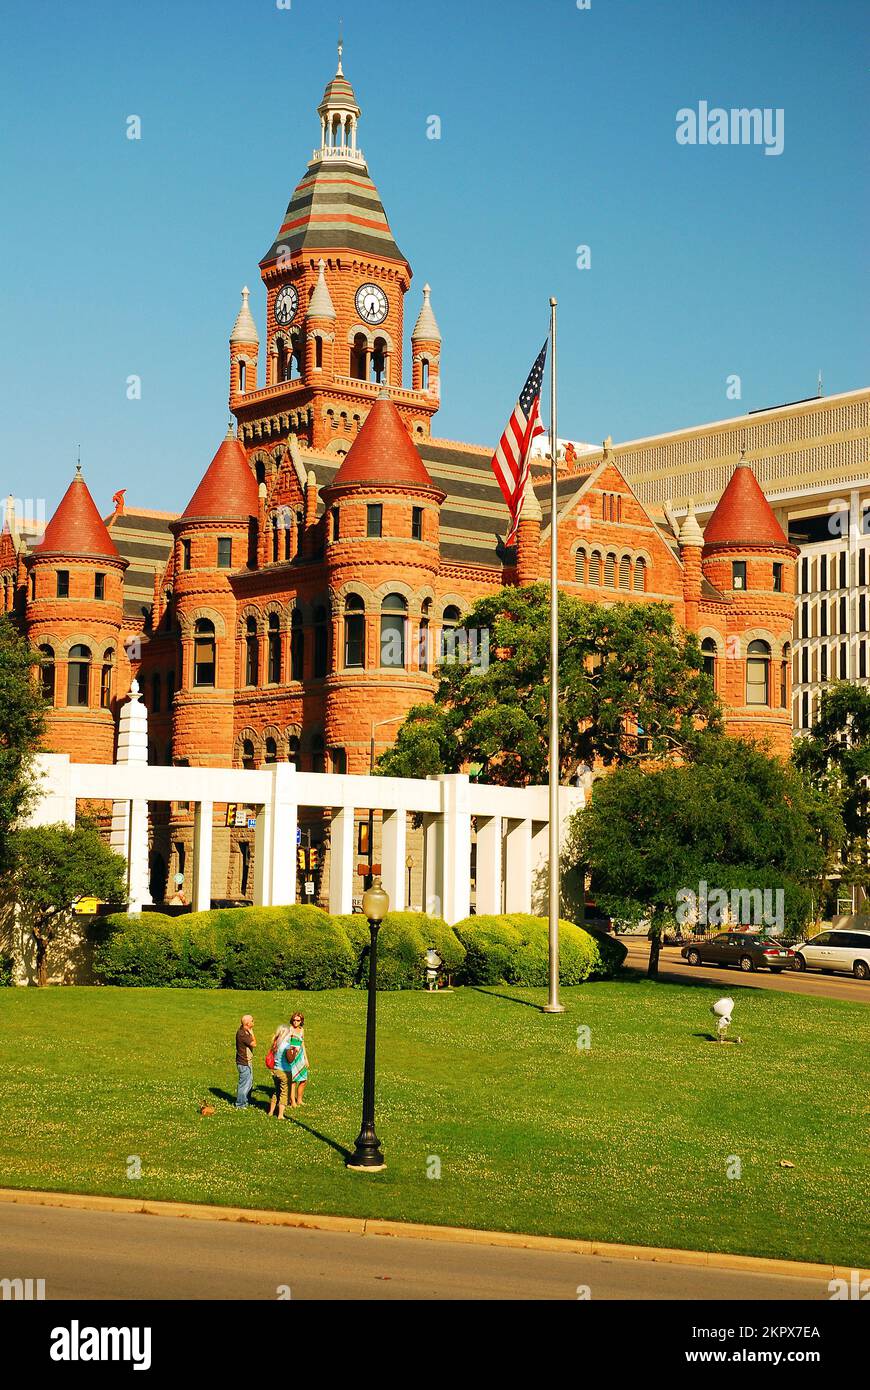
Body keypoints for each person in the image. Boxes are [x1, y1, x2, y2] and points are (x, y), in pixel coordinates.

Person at [267, 1025, 293, 1120]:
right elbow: (290, 1060)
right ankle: (280, 1115)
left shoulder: (276, 1044)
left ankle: (270, 1112)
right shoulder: (287, 1046)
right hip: (284, 1071)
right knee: (284, 1093)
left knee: (276, 1091)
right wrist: (294, 1052)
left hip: (275, 1071)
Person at [287, 1012, 309, 1108]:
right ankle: (292, 1101)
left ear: (301, 1021)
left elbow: (302, 1044)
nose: (296, 1022)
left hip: (300, 1056)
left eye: (298, 1020)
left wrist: (306, 1058)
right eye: (294, 1020)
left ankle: (299, 1099)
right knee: (293, 1080)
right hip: (292, 1056)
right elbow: (285, 1043)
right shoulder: (289, 1029)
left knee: (303, 1079)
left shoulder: (301, 1030)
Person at [234, 1014, 256, 1110]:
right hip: (244, 1063)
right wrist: (252, 1033)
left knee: (249, 1082)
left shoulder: (244, 1031)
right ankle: (240, 1104)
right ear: (247, 1023)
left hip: (246, 1062)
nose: (253, 1021)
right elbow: (254, 1044)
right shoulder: (243, 1034)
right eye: (252, 1020)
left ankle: (246, 1101)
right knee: (244, 1084)